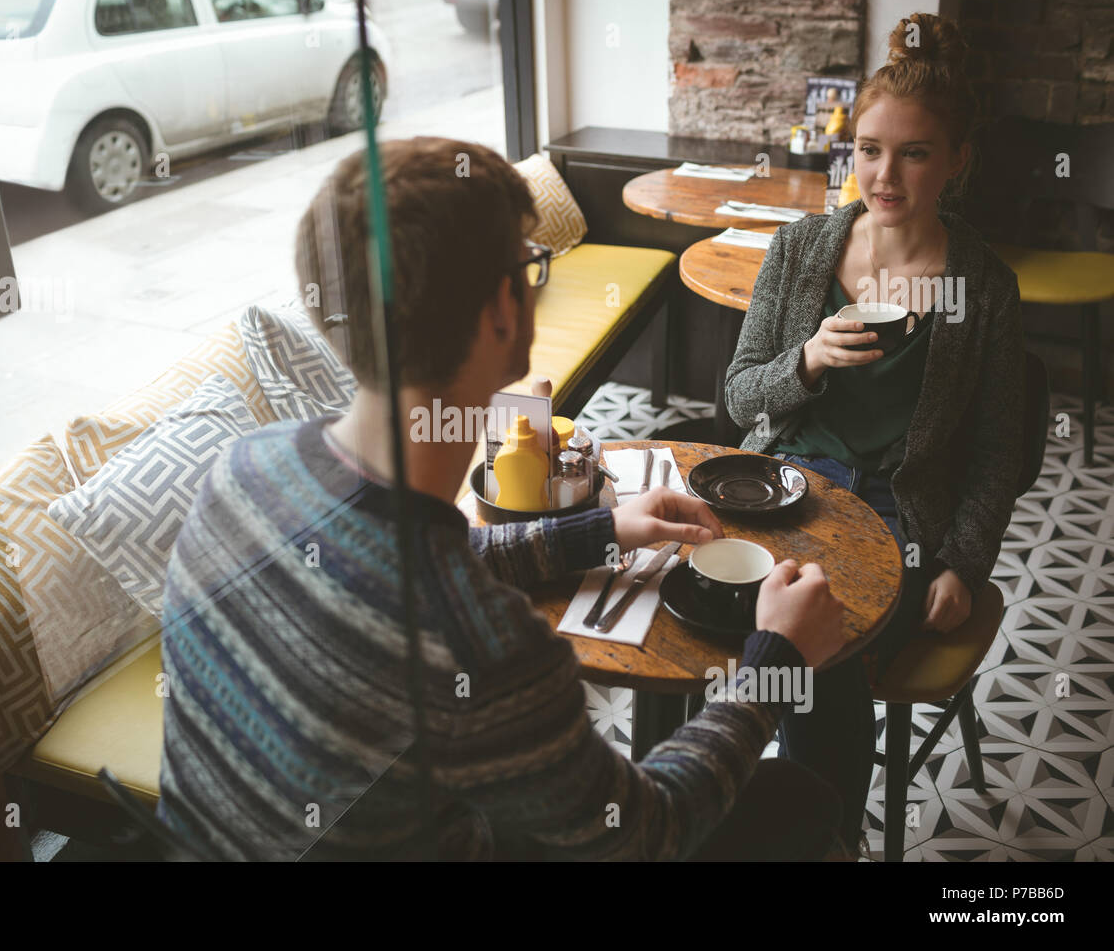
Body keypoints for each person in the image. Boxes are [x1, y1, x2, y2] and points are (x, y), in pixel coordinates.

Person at [158, 136, 851, 861]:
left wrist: (598, 531)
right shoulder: (486, 647)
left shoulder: (237, 471)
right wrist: (776, 663)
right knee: (795, 800)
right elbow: (647, 832)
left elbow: (395, 568)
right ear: (501, 310)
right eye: (532, 263)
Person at [725, 13, 1025, 858]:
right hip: (782, 489)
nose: (883, 174)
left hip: (901, 517)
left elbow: (1002, 450)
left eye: (914, 153)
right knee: (693, 605)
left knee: (821, 641)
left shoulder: (984, 289)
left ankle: (820, 835)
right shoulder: (798, 252)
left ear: (958, 160)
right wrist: (808, 361)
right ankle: (686, 811)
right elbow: (739, 392)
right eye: (867, 149)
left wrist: (964, 562)